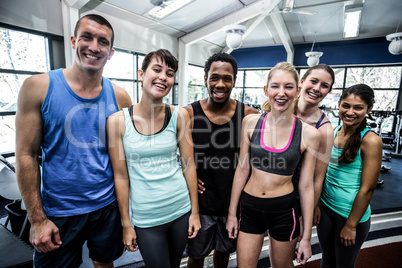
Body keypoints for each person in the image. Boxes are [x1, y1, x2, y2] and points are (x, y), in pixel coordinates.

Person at [15, 14, 132, 267]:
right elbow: (25, 155)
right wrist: (36, 219)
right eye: (87, 37)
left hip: (106, 206)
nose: (94, 47)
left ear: (110, 52)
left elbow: (128, 157)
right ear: (73, 40)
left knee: (105, 263)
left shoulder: (121, 97)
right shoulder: (37, 87)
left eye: (103, 42)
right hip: (58, 212)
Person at [107, 49, 201, 268]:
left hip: (180, 210)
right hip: (147, 217)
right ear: (141, 74)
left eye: (169, 74)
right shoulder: (117, 122)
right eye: (156, 70)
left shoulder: (179, 115)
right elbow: (120, 176)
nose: (163, 77)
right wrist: (126, 224)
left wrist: (195, 212)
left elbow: (188, 165)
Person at [226, 62, 320, 267]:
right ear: (266, 90)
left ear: (298, 90)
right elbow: (242, 169)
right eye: (275, 86)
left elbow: (305, 186)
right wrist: (232, 214)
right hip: (250, 208)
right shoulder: (250, 123)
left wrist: (306, 238)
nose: (281, 93)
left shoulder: (309, 134)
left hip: (284, 211)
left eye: (288, 86)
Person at [184, 52, 258, 268]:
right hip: (201, 203)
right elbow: (173, 152)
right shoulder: (189, 113)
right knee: (196, 256)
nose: (220, 84)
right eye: (214, 77)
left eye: (227, 78)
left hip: (233, 204)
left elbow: (259, 157)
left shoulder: (248, 114)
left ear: (234, 80)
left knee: (223, 253)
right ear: (205, 78)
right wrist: (184, 174)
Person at [317, 84, 382, 268]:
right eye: (346, 105)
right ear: (338, 104)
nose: (350, 112)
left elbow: (368, 188)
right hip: (326, 209)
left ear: (369, 109)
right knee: (327, 259)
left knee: (343, 265)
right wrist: (316, 205)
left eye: (358, 107)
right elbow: (325, 173)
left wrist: (351, 225)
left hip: (349, 216)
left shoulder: (370, 140)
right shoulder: (334, 131)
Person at [292, 64, 335, 226]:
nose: (317, 88)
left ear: (328, 92)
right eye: (314, 81)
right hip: (269, 190)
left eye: (324, 86)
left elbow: (317, 178)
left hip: (296, 197)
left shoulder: (325, 130)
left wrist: (307, 212)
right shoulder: (282, 110)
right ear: (302, 82)